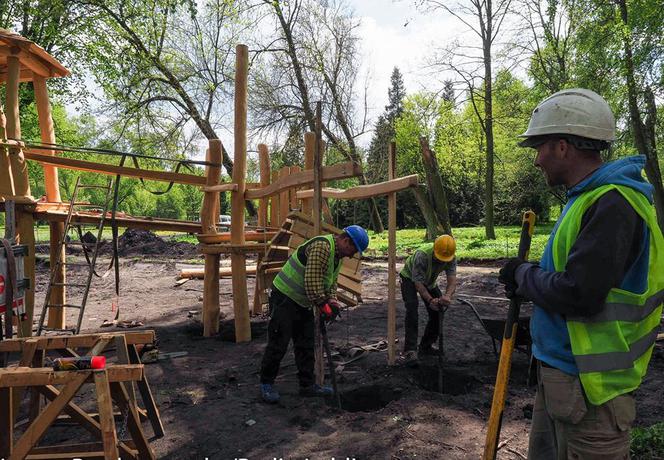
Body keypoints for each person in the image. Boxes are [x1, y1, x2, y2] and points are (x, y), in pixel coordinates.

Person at [498, 88, 664, 459]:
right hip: (566, 376)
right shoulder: (587, 198)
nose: (537, 160)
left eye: (539, 148)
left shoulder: (614, 203)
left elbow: (580, 293)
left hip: (592, 390)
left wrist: (523, 275)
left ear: (562, 147)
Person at [259, 225, 369, 403]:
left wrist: (332, 300)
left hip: (302, 301)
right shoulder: (322, 247)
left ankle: (307, 386)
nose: (351, 255)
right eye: (353, 249)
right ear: (346, 241)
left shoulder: (337, 256)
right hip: (285, 298)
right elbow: (312, 284)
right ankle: (266, 384)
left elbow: (330, 283)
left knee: (306, 343)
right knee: (279, 342)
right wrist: (323, 305)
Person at [399, 234, 457, 363]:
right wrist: (430, 300)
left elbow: (452, 281)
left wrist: (447, 297)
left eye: (445, 260)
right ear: (435, 251)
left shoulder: (451, 256)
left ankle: (426, 346)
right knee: (412, 310)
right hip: (409, 279)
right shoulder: (422, 255)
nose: (442, 262)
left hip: (429, 281)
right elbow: (418, 284)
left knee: (438, 312)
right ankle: (410, 350)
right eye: (440, 258)